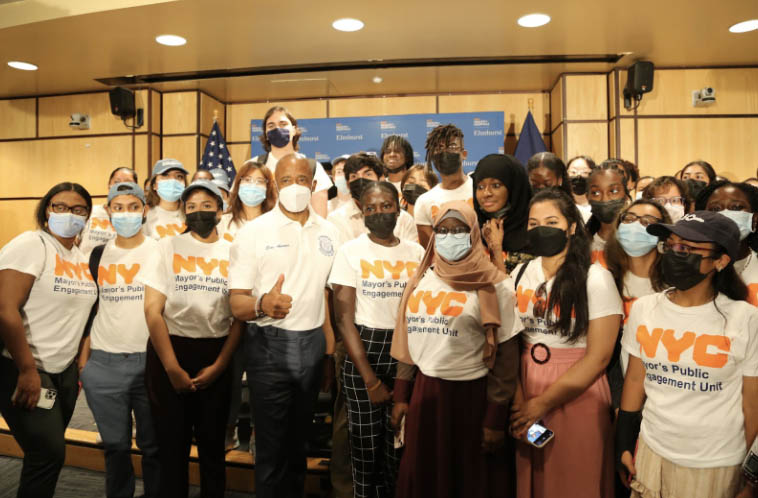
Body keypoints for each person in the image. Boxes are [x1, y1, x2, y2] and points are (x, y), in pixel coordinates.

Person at [617, 211, 758, 498]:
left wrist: (751, 478)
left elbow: (751, 405)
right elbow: (634, 381)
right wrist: (624, 442)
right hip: (652, 451)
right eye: (669, 246)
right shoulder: (646, 308)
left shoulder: (745, 319)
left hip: (715, 463)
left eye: (686, 248)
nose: (673, 254)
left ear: (720, 261)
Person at [390, 200, 519, 498]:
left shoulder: (495, 284)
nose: (450, 237)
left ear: (473, 233)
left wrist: (495, 418)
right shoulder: (423, 279)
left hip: (472, 397)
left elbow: (507, 356)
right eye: (443, 230)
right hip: (426, 395)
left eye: (459, 230)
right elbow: (411, 340)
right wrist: (401, 395)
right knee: (425, 477)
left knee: (469, 480)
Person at [229, 154, 340, 498]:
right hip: (268, 346)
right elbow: (236, 303)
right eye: (287, 180)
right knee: (272, 449)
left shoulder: (330, 233)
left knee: (298, 446)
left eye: (302, 180)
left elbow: (327, 297)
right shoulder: (253, 233)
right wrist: (263, 304)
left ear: (314, 184)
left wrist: (328, 354)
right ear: (276, 186)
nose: (295, 187)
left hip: (313, 346)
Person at [509, 188, 623, 498]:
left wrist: (542, 404)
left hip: (576, 389)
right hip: (524, 382)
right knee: (535, 477)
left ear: (571, 227)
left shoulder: (595, 278)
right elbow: (508, 343)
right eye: (533, 223)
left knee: (575, 479)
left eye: (550, 221)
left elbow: (599, 357)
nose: (540, 229)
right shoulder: (519, 274)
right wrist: (521, 402)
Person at [140, 179, 242, 498]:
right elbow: (152, 311)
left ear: (221, 210)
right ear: (183, 212)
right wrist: (171, 368)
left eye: (207, 205)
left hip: (217, 352)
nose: (199, 211)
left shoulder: (234, 251)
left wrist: (221, 364)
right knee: (172, 447)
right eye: (191, 206)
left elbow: (239, 315)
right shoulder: (166, 247)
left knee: (213, 448)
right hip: (170, 350)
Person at [0, 182, 97, 498]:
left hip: (63, 373)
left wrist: (78, 364)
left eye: (78, 209)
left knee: (45, 456)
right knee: (48, 454)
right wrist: (27, 370)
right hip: (23, 368)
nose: (69, 214)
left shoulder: (79, 255)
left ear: (87, 216)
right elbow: (5, 309)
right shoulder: (31, 244)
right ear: (46, 211)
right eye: (60, 207)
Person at [329, 181, 425, 498]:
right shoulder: (350, 251)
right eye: (371, 208)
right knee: (365, 445)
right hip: (363, 352)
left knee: (397, 444)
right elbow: (343, 318)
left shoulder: (417, 252)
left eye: (385, 205)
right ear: (362, 211)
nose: (379, 212)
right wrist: (369, 380)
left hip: (407, 353)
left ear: (398, 206)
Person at [78, 182, 160, 498]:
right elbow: (90, 308)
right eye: (119, 207)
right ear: (109, 212)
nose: (126, 213)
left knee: (154, 447)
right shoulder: (96, 254)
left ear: (144, 210)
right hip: (104, 363)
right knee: (115, 447)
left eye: (133, 207)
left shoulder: (160, 250)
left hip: (150, 363)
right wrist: (85, 363)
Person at [603, 200, 671, 408]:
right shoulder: (606, 280)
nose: (635, 226)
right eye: (629, 219)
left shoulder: (675, 284)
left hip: (664, 391)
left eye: (646, 222)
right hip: (617, 389)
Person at [252, 105, 332, 217]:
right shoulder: (253, 166)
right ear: (266, 133)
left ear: (294, 130)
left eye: (283, 124)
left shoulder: (312, 167)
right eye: (271, 125)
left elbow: (320, 217)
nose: (277, 129)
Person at [328, 153, 417, 244]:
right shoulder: (336, 220)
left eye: (368, 174)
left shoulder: (403, 219)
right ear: (348, 184)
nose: (361, 180)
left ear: (381, 179)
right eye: (354, 176)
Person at [696, 180, 758, 306]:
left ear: (754, 220)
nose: (726, 215)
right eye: (715, 209)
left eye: (736, 207)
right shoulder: (691, 264)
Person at [413, 124, 473, 248]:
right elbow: (430, 251)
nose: (445, 152)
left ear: (464, 154)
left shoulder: (480, 189)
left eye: (452, 146)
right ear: (431, 155)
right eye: (439, 148)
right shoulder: (424, 202)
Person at [473, 153, 534, 274]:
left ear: (514, 187)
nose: (486, 193)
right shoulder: (471, 231)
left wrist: (496, 248)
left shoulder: (534, 230)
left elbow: (508, 291)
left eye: (496, 185)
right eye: (480, 187)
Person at [79, 167, 138, 254]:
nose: (121, 186)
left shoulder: (138, 217)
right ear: (109, 185)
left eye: (127, 182)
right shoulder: (91, 211)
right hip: (85, 266)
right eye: (116, 182)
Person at [586, 160, 632, 268]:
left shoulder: (635, 238)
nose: (605, 199)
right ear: (587, 197)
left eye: (613, 191)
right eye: (596, 193)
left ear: (625, 195)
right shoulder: (581, 242)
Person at [145, 158, 188, 239]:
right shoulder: (146, 215)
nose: (173, 180)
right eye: (165, 175)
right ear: (154, 185)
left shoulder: (191, 213)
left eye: (179, 176)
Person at [566, 155, 595, 222]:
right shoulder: (561, 204)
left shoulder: (599, 206)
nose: (578, 176)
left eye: (585, 172)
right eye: (573, 172)